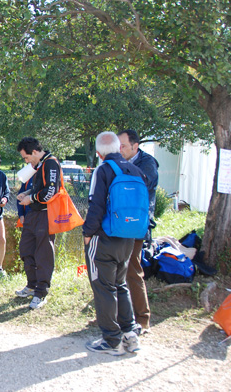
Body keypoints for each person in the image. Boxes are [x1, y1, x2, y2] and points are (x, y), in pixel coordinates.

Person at [83, 131, 147, 355]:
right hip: (128, 238)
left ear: (99, 153)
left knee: (103, 287)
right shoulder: (136, 170)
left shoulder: (103, 170)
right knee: (120, 285)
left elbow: (96, 205)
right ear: (120, 147)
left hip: (104, 238)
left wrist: (87, 233)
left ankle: (111, 340)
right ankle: (130, 334)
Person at [118, 129, 159, 334]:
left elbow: (142, 184)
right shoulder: (120, 162)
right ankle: (122, 317)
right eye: (118, 146)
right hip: (119, 223)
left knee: (133, 270)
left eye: (123, 145)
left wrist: (121, 169)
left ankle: (142, 320)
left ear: (135, 146)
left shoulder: (148, 163)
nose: (120, 149)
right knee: (118, 271)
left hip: (136, 224)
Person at [15, 137, 61, 310]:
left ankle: (41, 293)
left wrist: (31, 198)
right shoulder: (39, 165)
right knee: (26, 249)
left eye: (26, 158)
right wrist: (27, 193)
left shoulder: (50, 163)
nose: (26, 162)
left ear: (34, 152)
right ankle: (31, 285)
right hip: (33, 214)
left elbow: (51, 191)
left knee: (43, 254)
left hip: (45, 215)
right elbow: (40, 187)